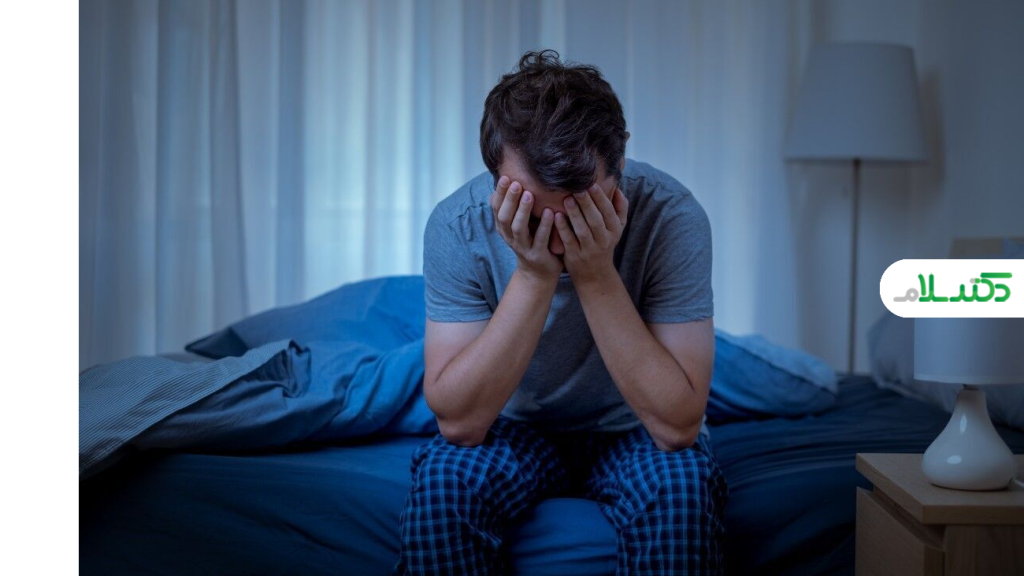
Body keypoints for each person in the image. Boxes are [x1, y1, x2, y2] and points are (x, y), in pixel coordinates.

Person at [392, 49, 727, 575]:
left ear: (619, 164)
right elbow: (459, 424)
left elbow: (677, 428)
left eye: (581, 209)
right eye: (532, 212)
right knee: (444, 480)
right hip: (513, 425)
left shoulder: (672, 216)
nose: (557, 235)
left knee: (680, 485)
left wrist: (594, 273)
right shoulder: (457, 225)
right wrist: (533, 275)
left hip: (631, 426)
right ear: (494, 176)